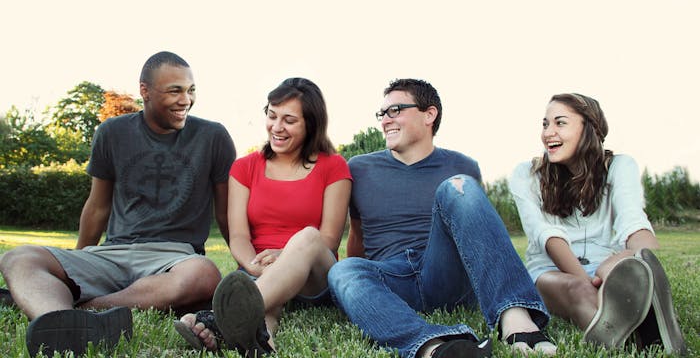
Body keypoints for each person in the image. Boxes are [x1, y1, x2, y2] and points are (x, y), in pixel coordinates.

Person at [0, 51, 236, 357]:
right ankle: (55, 317)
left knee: (205, 274)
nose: (186, 100)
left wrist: (246, 268)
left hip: (174, 257)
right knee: (18, 257)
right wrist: (76, 263)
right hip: (113, 253)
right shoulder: (112, 132)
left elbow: (225, 213)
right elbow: (97, 206)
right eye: (174, 91)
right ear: (145, 91)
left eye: (191, 90)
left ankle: (81, 313)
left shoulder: (213, 137)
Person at [327, 79, 557, 358]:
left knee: (458, 186)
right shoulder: (360, 168)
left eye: (395, 110)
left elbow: (476, 232)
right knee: (343, 270)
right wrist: (360, 288)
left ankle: (515, 318)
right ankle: (433, 347)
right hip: (393, 280)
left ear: (429, 114)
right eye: (382, 113)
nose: (385, 120)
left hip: (445, 275)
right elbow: (358, 235)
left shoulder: (463, 166)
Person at [174, 77, 352, 356]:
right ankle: (259, 342)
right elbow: (238, 235)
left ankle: (218, 318)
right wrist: (254, 266)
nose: (276, 127)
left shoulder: (334, 166)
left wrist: (285, 256)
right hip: (258, 270)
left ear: (311, 124)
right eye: (272, 115)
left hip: (313, 276)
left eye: (289, 120)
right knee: (264, 311)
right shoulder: (244, 168)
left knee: (308, 236)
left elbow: (329, 239)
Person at [508, 93, 687, 355]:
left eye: (560, 123)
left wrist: (643, 257)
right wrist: (592, 284)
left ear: (589, 128)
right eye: (545, 124)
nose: (548, 133)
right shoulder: (527, 174)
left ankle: (644, 309)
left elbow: (632, 221)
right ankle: (639, 336)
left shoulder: (619, 166)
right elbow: (546, 236)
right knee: (578, 289)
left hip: (604, 265)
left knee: (626, 264)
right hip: (549, 270)